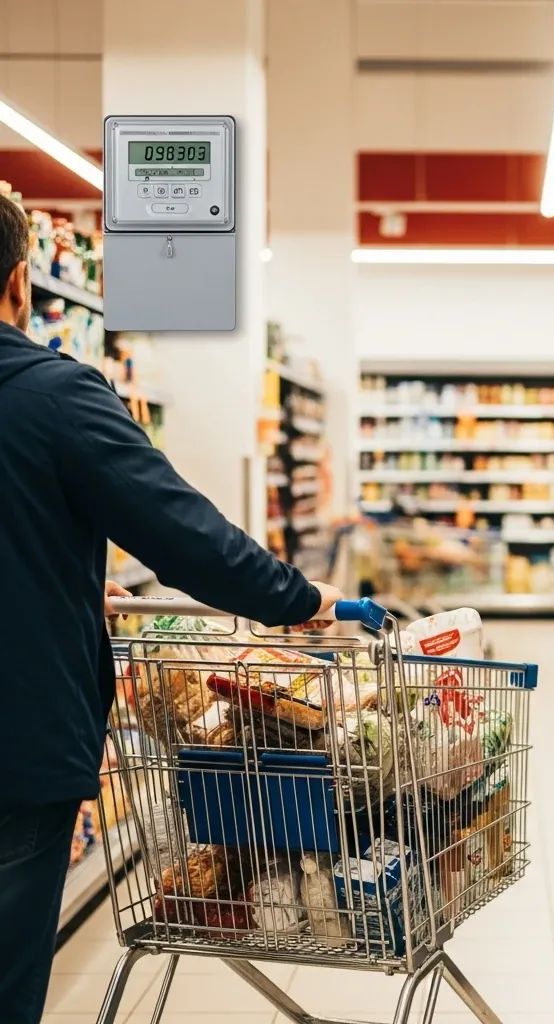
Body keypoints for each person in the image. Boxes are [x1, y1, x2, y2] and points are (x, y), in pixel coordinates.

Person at [0, 194, 343, 1023]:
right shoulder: (51, 396)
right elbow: (183, 534)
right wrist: (298, 600)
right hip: (14, 750)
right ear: (18, 284)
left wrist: (62, 582)